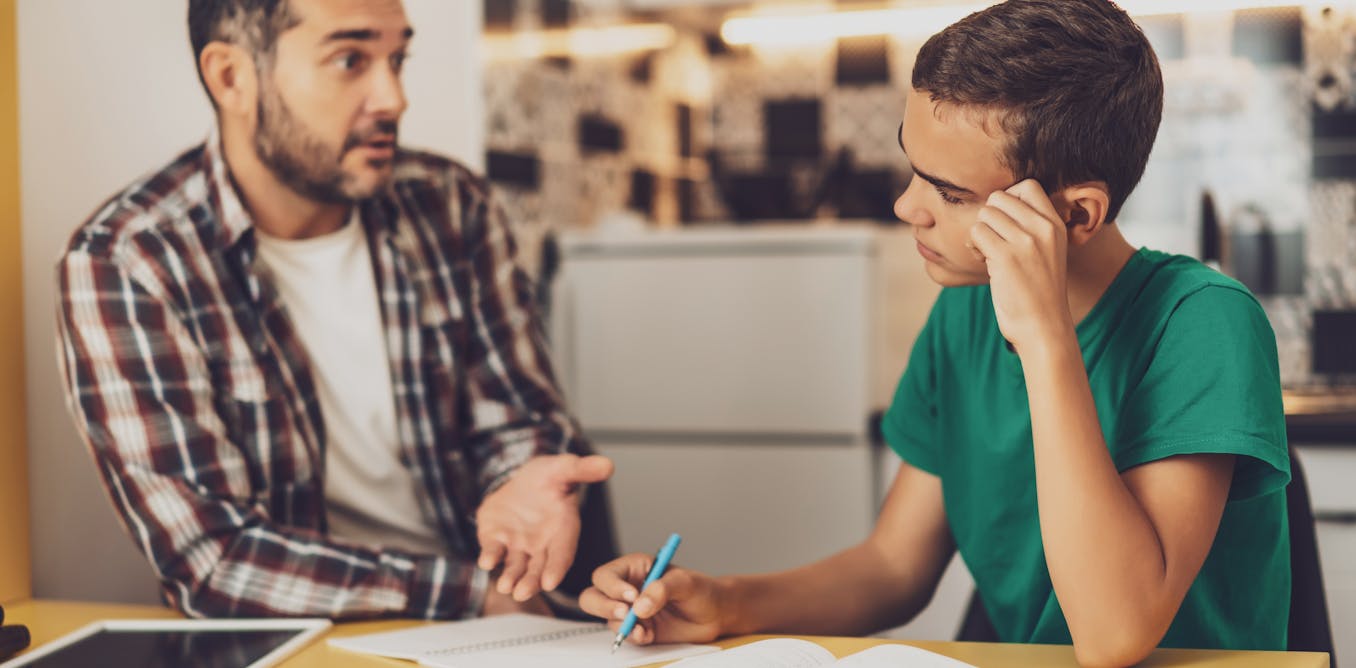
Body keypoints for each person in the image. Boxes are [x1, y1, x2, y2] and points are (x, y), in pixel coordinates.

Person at [580, 1, 1290, 665]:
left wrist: (1045, 344)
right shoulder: (963, 311)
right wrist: (727, 603)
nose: (904, 207)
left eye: (949, 194)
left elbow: (1113, 636)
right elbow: (895, 566)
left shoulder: (1203, 322)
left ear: (1075, 217)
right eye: (913, 172)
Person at [54, 0, 612, 620]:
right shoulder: (131, 260)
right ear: (231, 78)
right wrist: (465, 594)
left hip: (504, 620)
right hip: (309, 633)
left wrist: (520, 483)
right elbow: (211, 558)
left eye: (397, 59)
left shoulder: (450, 203)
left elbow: (518, 415)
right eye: (350, 60)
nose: (393, 98)